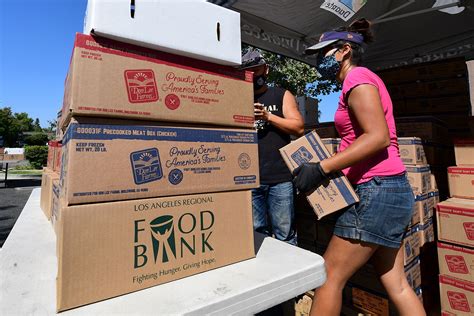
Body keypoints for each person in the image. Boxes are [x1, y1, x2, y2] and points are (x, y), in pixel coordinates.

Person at [293, 19, 426, 316]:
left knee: (327, 276)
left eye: (325, 52)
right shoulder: (357, 82)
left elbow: (377, 137)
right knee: (397, 284)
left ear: (345, 50)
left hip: (377, 191)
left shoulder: (358, 78)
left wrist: (322, 168)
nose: (320, 59)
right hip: (391, 191)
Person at [240, 50, 304, 245]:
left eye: (256, 69)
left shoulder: (281, 94)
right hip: (249, 178)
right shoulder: (239, 98)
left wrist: (268, 117)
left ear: (266, 69)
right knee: (256, 235)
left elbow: (298, 127)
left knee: (285, 234)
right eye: (248, 71)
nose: (253, 75)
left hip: (280, 178)